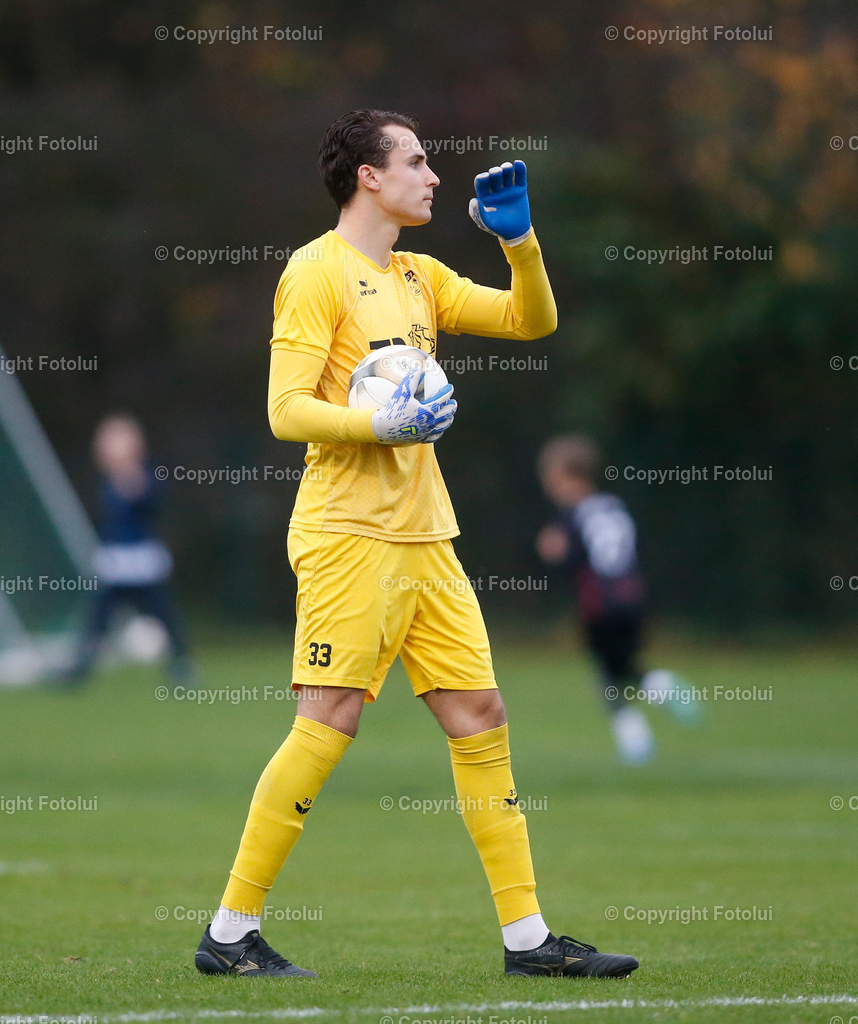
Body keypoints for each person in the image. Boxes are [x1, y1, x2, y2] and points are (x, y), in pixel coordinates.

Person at [195, 110, 638, 979]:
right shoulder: (314, 271)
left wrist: (521, 244)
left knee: (480, 715)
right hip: (346, 535)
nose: (436, 177)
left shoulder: (421, 274)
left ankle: (528, 942)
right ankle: (228, 934)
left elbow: (530, 320)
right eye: (418, 162)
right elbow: (286, 410)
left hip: (428, 536)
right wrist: (380, 419)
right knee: (330, 717)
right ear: (368, 175)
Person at [536, 435, 698, 765]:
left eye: (549, 472)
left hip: (599, 603)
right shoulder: (612, 505)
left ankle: (647, 719)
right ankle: (644, 723)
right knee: (621, 667)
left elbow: (575, 558)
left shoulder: (571, 515)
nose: (546, 480)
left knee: (610, 676)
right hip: (632, 598)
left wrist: (554, 550)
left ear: (565, 473)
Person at [64, 414, 191, 684]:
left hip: (143, 561)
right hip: (116, 562)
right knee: (98, 619)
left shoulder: (144, 476)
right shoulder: (105, 481)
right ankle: (80, 668)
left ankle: (182, 667)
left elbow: (154, 505)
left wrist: (133, 483)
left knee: (164, 616)